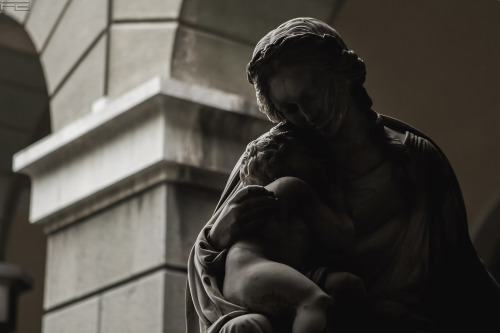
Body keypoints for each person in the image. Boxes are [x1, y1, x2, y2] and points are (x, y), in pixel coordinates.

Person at [186, 17, 500, 332]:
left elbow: (461, 271)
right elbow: (216, 263)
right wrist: (216, 236)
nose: (307, 115)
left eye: (312, 95)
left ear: (342, 76)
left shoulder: (415, 158)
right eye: (290, 109)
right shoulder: (277, 155)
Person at [222, 125, 361, 333]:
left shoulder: (271, 195)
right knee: (314, 301)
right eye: (306, 153)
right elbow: (341, 236)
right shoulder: (293, 186)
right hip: (252, 271)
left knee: (343, 286)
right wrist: (336, 191)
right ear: (279, 158)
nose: (319, 160)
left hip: (243, 274)